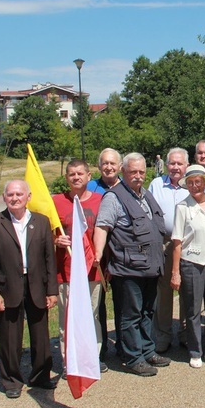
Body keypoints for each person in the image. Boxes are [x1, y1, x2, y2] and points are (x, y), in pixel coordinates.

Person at [93, 153, 170, 377]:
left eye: (141, 172)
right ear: (123, 172)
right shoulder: (113, 197)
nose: (137, 176)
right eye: (132, 172)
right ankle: (132, 356)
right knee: (130, 314)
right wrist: (97, 255)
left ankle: (147, 350)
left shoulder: (146, 195)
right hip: (128, 268)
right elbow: (102, 227)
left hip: (151, 266)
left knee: (147, 311)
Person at [0, 180, 58, 399]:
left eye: (19, 194)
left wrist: (52, 291)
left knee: (41, 336)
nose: (15, 198)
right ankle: (11, 380)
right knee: (9, 337)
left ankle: (41, 376)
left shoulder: (41, 222)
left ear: (28, 197)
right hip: (7, 287)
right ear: (4, 197)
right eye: (10, 194)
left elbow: (49, 259)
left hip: (37, 286)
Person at [169, 165, 205, 368]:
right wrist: (175, 272)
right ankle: (195, 351)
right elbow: (177, 241)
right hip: (192, 261)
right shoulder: (182, 208)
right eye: (191, 182)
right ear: (187, 185)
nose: (195, 186)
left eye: (198, 182)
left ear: (204, 182)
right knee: (193, 309)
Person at [51, 160, 105, 374]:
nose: (76, 177)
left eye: (80, 173)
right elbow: (45, 233)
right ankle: (69, 363)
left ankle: (92, 358)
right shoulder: (56, 202)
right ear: (66, 177)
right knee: (68, 320)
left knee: (91, 318)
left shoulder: (100, 200)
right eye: (71, 174)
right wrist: (55, 241)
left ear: (88, 176)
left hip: (92, 269)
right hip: (65, 271)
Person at [148, 148, 190, 353]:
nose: (175, 167)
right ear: (166, 165)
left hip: (188, 244)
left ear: (186, 166)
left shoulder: (192, 185)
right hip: (164, 243)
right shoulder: (156, 185)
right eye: (172, 163)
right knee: (163, 291)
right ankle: (162, 335)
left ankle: (185, 333)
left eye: (179, 164)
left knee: (187, 289)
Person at [86, 148, 122, 361]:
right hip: (97, 257)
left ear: (120, 166)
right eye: (105, 163)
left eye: (112, 163)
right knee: (95, 305)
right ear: (99, 167)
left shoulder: (127, 187)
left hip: (119, 256)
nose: (109, 167)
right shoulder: (90, 188)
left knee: (122, 303)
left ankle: (123, 344)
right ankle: (98, 348)